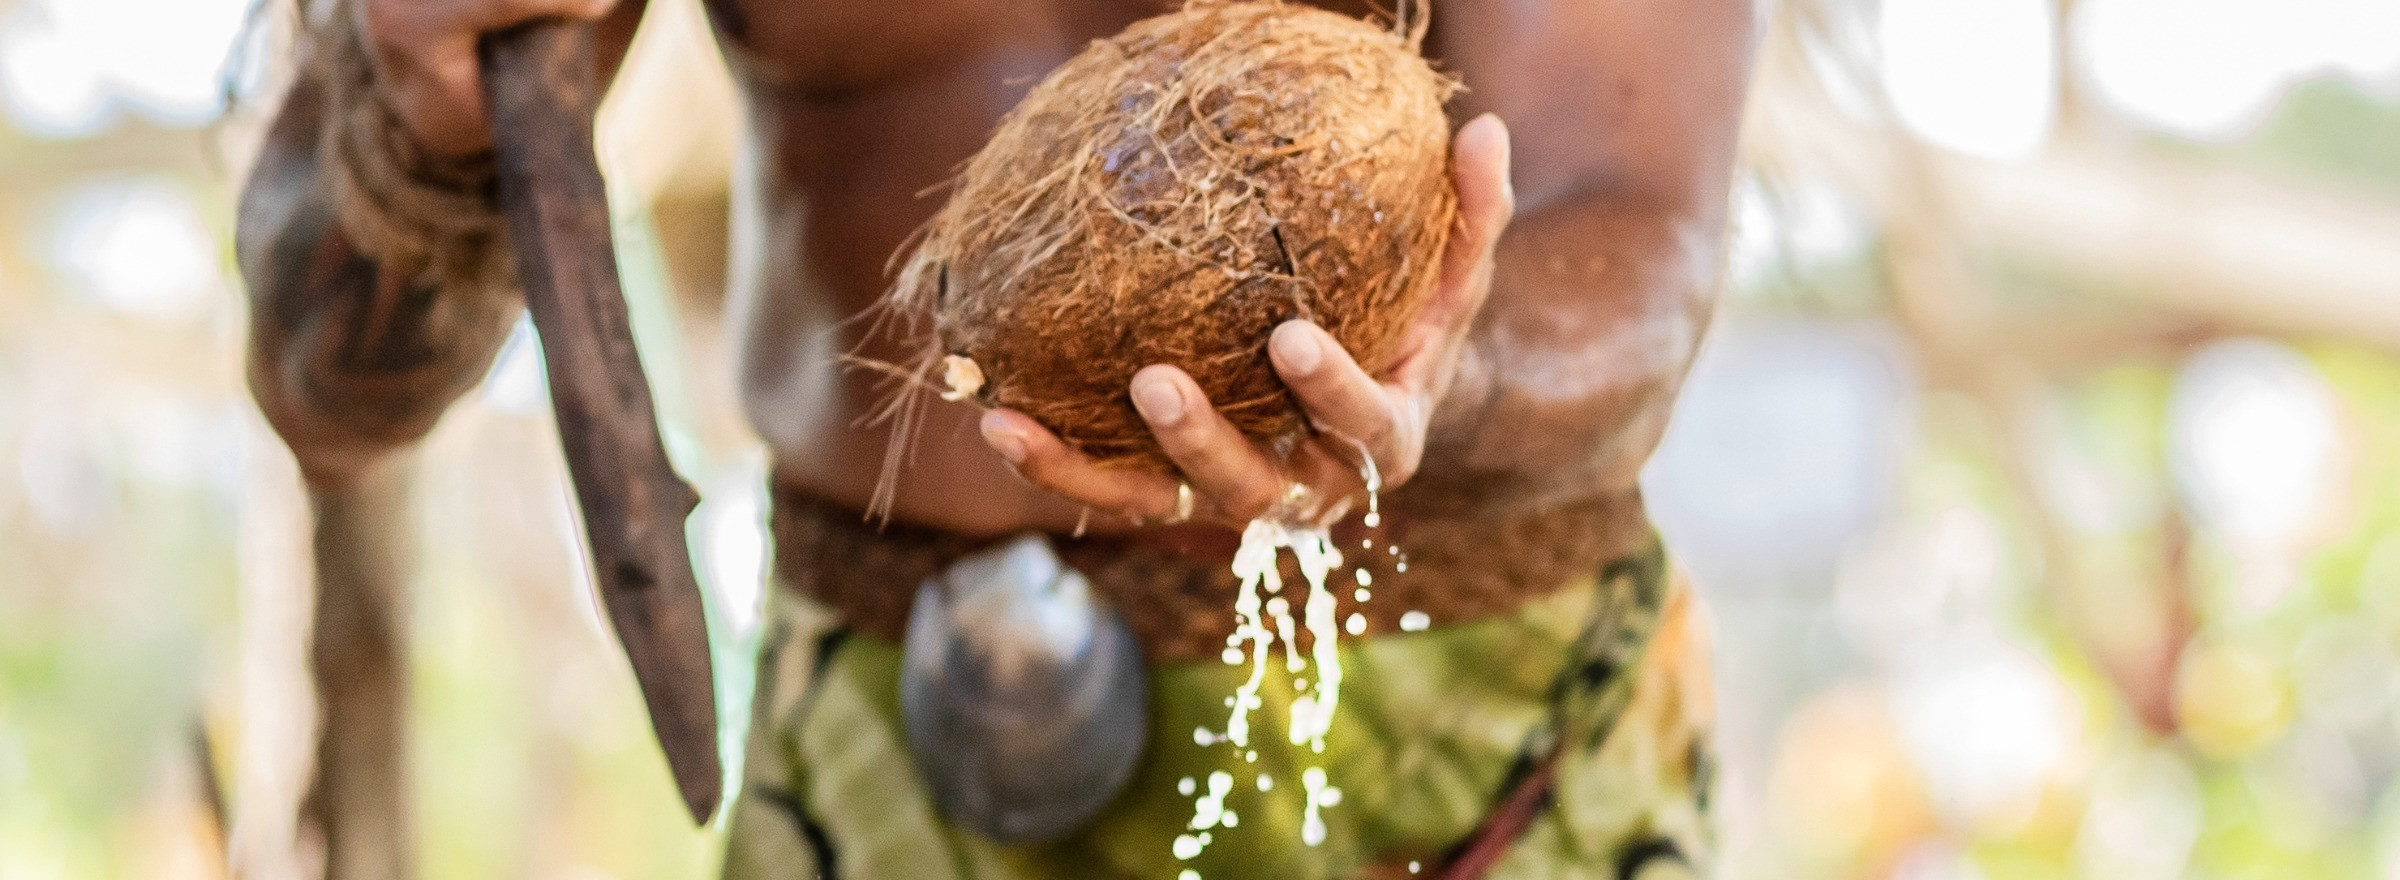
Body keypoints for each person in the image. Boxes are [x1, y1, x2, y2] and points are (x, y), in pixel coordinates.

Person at [237, 0, 1755, 877]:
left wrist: (1431, 385)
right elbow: (327, 385)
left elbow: (1639, 230)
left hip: (1463, 715)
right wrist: (421, 103)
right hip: (874, 711)